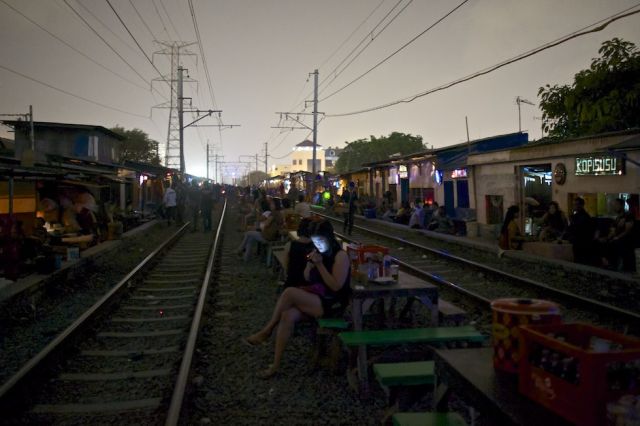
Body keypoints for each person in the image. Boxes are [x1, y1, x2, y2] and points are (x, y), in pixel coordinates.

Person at [244, 220, 350, 378]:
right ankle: (275, 365)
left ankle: (267, 330)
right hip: (317, 300)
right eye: (315, 241)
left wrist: (320, 266)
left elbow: (336, 286)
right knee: (287, 316)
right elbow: (307, 277)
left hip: (333, 304)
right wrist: (310, 266)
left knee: (289, 293)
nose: (318, 244)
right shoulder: (318, 252)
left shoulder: (340, 256)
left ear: (329, 238)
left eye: (321, 240)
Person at [236, 197, 284, 261]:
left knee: (248, 233)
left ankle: (240, 250)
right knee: (250, 237)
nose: (270, 205)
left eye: (272, 204)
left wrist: (264, 222)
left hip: (267, 236)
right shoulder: (279, 213)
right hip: (271, 235)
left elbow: (266, 224)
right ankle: (245, 257)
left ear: (275, 205)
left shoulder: (274, 213)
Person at [601, 198, 636, 272]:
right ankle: (607, 263)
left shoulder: (628, 215)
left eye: (616, 205)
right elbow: (613, 231)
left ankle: (615, 266)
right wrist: (607, 238)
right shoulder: (617, 218)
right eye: (613, 205)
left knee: (614, 243)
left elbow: (627, 231)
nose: (614, 207)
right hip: (617, 238)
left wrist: (617, 237)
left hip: (626, 238)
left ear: (622, 205)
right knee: (603, 243)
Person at [282, 218, 315, 288]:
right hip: (309, 286)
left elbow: (285, 266)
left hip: (292, 283)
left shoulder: (289, 245)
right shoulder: (316, 249)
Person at [566, 197, 595, 265]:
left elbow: (579, 228)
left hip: (582, 241)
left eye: (576, 204)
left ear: (581, 205)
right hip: (577, 241)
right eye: (574, 204)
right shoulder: (576, 216)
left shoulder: (584, 216)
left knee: (581, 260)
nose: (575, 206)